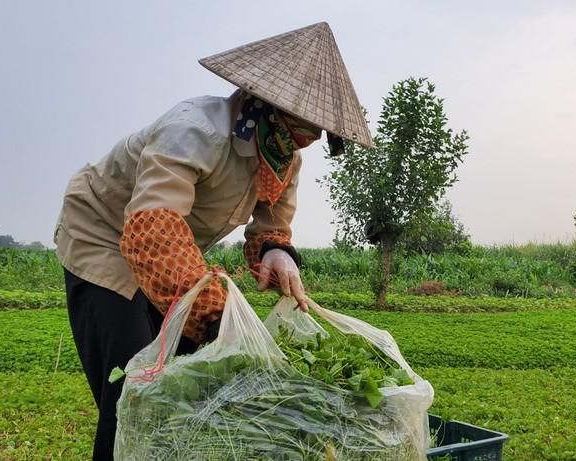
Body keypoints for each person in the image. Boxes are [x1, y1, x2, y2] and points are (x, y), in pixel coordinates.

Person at [53, 22, 372, 460]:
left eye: (316, 132)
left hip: (172, 258)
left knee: (190, 376)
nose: (309, 140)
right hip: (103, 234)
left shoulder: (283, 159)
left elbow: (271, 224)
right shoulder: (194, 131)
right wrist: (220, 317)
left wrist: (277, 252)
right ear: (263, 106)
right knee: (135, 385)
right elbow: (153, 230)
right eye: (302, 127)